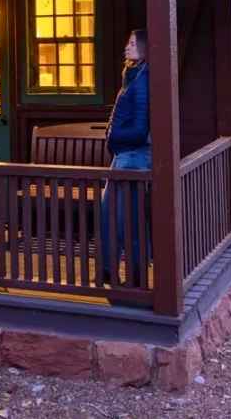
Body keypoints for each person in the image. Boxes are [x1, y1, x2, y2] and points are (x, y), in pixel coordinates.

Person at [99, 29, 151, 284]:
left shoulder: (143, 80)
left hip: (134, 157)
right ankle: (109, 271)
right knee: (108, 213)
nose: (127, 47)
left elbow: (141, 129)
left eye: (132, 43)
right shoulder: (131, 76)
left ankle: (136, 275)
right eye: (128, 42)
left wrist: (114, 137)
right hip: (122, 156)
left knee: (126, 220)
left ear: (143, 48)